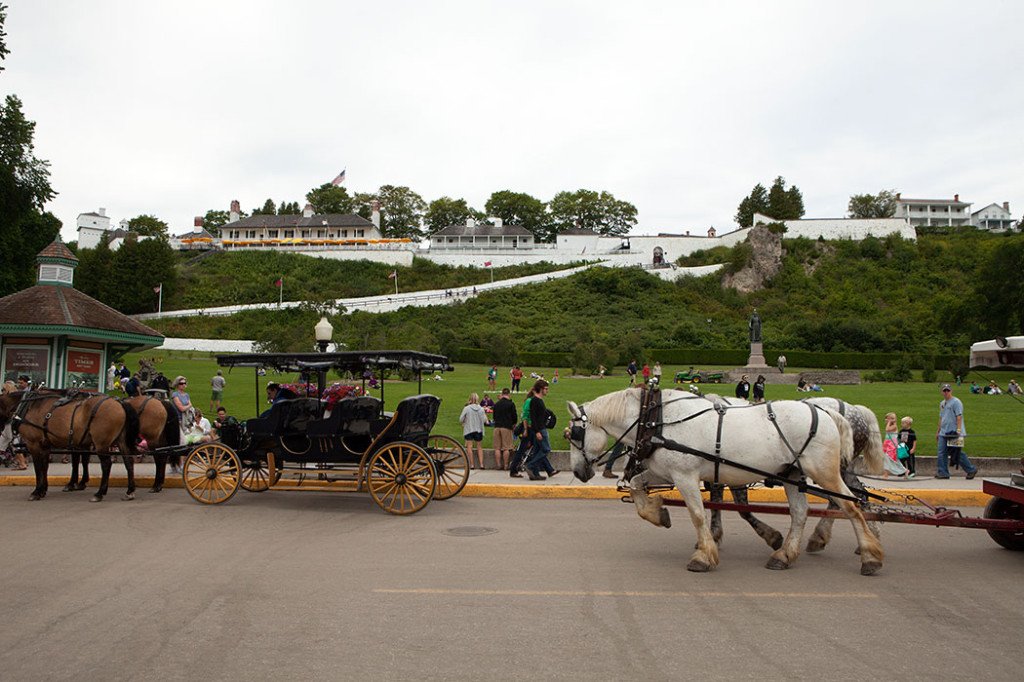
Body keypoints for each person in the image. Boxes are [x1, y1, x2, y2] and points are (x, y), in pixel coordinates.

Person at [936, 384, 977, 480]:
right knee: (941, 452)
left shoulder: (956, 402)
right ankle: (943, 472)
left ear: (951, 391)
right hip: (944, 432)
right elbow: (941, 417)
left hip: (954, 432)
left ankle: (971, 469)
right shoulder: (942, 403)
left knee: (957, 452)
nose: (946, 392)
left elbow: (959, 416)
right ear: (942, 392)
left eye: (948, 390)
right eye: (944, 391)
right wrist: (938, 431)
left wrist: (958, 430)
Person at [524, 379, 558, 481]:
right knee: (546, 449)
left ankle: (535, 474)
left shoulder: (539, 400)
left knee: (538, 450)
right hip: (540, 430)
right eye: (546, 389)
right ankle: (530, 465)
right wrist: (538, 431)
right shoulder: (535, 401)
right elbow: (534, 418)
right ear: (541, 389)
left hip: (541, 428)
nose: (547, 391)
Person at [169, 376, 192, 473]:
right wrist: (188, 406)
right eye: (181, 383)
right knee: (182, 442)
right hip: (177, 421)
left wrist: (186, 406)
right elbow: (181, 408)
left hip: (185, 421)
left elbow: (188, 406)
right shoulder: (175, 395)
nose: (183, 385)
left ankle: (176, 465)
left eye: (184, 383)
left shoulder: (186, 395)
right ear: (177, 385)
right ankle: (180, 465)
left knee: (182, 443)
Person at [491, 388, 517, 471]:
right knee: (506, 448)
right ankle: (506, 465)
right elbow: (514, 417)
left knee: (497, 448)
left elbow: (494, 416)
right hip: (506, 427)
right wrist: (514, 424)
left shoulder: (496, 404)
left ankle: (498, 465)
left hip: (497, 427)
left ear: (502, 394)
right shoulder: (511, 404)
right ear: (509, 394)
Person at [459, 393, 487, 470]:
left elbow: (461, 419)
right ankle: (481, 464)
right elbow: (485, 420)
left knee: (469, 447)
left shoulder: (467, 408)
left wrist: (465, 421)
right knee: (479, 447)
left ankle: (472, 464)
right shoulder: (481, 409)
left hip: (469, 429)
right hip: (478, 429)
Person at [881, 412, 908, 478]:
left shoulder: (894, 426)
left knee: (889, 458)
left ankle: (886, 474)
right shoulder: (890, 425)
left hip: (892, 444)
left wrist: (889, 422)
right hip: (887, 443)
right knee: (888, 459)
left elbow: (887, 430)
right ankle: (905, 471)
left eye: (892, 418)